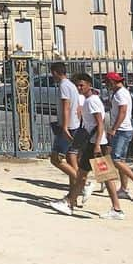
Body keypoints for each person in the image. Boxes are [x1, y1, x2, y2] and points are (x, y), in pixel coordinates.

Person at [51, 73, 125, 220]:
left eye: (82, 85)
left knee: (104, 176)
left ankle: (115, 209)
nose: (79, 88)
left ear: (89, 85)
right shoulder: (88, 100)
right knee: (83, 175)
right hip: (93, 144)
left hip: (97, 145)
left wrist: (97, 144)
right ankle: (70, 202)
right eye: (77, 85)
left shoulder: (92, 101)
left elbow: (100, 124)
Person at [104, 72, 133, 201]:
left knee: (116, 159)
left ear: (112, 82)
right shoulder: (118, 93)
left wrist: (114, 129)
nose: (107, 86)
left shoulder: (121, 94)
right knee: (121, 161)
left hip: (122, 130)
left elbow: (122, 112)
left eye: (107, 83)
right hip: (123, 129)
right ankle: (123, 189)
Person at [48, 62, 84, 202]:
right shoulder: (71, 85)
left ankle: (83, 183)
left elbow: (66, 107)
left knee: (56, 158)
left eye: (53, 74)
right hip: (74, 125)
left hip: (68, 127)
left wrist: (64, 126)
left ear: (56, 72)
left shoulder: (63, 85)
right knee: (70, 158)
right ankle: (73, 195)